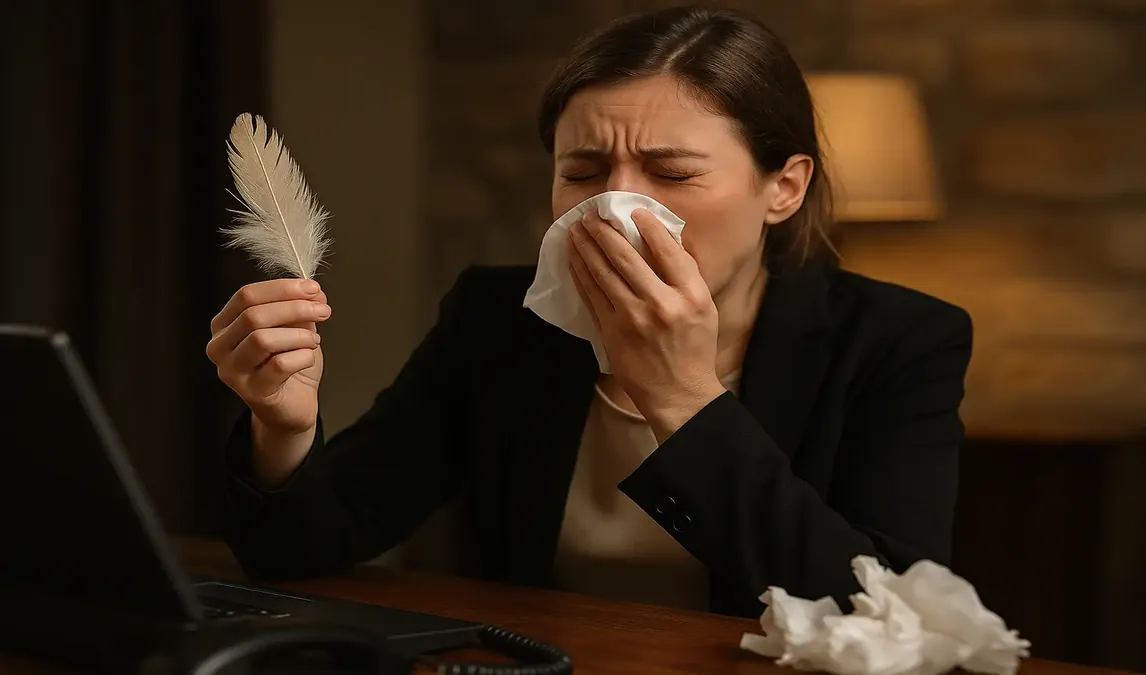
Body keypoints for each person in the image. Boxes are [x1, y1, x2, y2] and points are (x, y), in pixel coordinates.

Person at [206, 5, 973, 620]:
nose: (618, 206)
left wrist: (680, 395)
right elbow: (304, 548)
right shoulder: (500, 319)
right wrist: (284, 427)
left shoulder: (899, 341)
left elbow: (883, 611)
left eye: (672, 172)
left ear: (785, 187)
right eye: (583, 170)